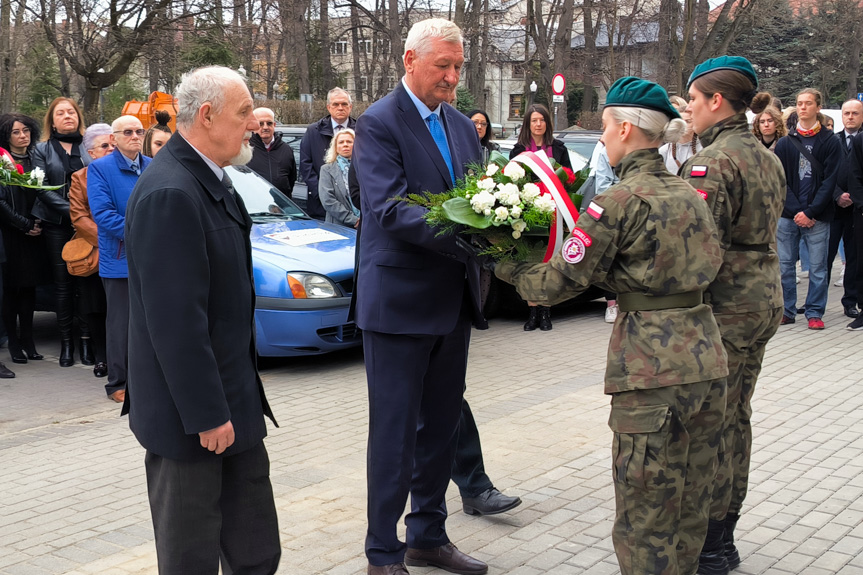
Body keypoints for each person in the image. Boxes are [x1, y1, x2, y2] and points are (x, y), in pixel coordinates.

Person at [495, 76, 728, 575]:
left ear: (625, 129)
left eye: (603, 128)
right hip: (707, 360)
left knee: (646, 516)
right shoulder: (691, 193)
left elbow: (558, 283)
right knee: (691, 505)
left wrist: (505, 263)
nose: (600, 138)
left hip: (652, 371)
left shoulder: (617, 203)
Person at [124, 65, 280, 574]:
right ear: (207, 116)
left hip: (233, 403)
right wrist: (207, 414)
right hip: (194, 421)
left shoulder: (212, 177)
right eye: (243, 113)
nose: (254, 124)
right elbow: (175, 322)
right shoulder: (171, 191)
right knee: (190, 556)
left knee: (255, 549)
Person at [353, 18, 489, 575]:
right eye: (443, 66)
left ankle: (427, 535)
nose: (453, 77)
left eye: (459, 67)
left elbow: (481, 193)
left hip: (451, 301)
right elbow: (388, 209)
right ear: (410, 61)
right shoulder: (378, 123)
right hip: (399, 307)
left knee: (441, 428)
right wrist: (468, 228)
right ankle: (383, 552)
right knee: (394, 435)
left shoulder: (461, 125)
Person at [679, 56, 786, 574]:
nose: (689, 109)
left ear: (716, 101)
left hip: (728, 306)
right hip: (762, 298)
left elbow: (700, 249)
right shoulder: (768, 156)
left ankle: (711, 543)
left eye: (694, 100)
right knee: (736, 418)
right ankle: (724, 536)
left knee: (713, 425)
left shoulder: (712, 163)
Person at [89, 116, 151, 403]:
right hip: (120, 258)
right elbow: (102, 215)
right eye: (128, 132)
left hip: (152, 259)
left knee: (151, 322)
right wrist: (140, 233)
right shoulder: (100, 169)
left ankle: (148, 380)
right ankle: (117, 383)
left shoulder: (152, 166)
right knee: (121, 325)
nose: (135, 136)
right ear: (114, 138)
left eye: (139, 131)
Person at [32, 97, 94, 367]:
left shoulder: (90, 146)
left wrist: (84, 218)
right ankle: (66, 344)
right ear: (52, 120)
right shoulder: (41, 149)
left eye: (71, 112)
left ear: (78, 117)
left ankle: (87, 341)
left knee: (86, 283)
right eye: (61, 113)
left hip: (88, 227)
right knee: (63, 285)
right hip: (57, 225)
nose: (67, 116)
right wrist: (74, 213)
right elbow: (40, 187)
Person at [775, 88, 841, 329]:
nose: (802, 107)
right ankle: (787, 309)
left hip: (818, 217)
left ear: (817, 107)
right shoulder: (785, 143)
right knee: (784, 266)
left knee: (818, 268)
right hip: (788, 216)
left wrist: (811, 212)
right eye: (799, 103)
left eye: (808, 103)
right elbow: (780, 180)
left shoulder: (830, 141)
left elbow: (830, 181)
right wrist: (796, 211)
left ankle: (814, 312)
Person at [510, 103, 572, 332]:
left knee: (549, 262)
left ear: (547, 123)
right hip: (529, 212)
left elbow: (569, 176)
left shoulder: (559, 149)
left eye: (542, 120)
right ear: (528, 124)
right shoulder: (518, 150)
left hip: (554, 211)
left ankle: (545, 312)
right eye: (534, 120)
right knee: (530, 263)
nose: (538, 124)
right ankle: (532, 311)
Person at [69, 123, 114, 381]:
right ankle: (102, 357)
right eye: (104, 146)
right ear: (91, 152)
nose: (110, 149)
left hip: (123, 249)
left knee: (120, 307)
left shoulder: (125, 173)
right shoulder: (80, 177)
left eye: (112, 144)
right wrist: (107, 239)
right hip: (95, 251)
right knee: (96, 307)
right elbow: (78, 216)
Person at [0, 114, 44, 366]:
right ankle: (14, 343)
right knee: (11, 291)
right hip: (11, 232)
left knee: (29, 288)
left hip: (34, 231)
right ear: (6, 135)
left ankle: (28, 339)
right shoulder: (1, 161)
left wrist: (36, 223)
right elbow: (1, 201)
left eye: (26, 130)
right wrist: (23, 224)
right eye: (16, 132)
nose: (22, 136)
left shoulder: (35, 158)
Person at [827, 99, 862, 319]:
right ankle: (816, 304)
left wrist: (856, 197)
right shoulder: (832, 141)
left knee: (854, 257)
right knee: (825, 257)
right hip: (832, 208)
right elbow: (825, 173)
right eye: (846, 113)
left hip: (857, 209)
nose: (850, 117)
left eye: (855, 113)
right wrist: (838, 194)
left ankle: (850, 301)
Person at [300, 87, 357, 219]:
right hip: (320, 206)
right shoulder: (313, 131)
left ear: (350, 107)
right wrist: (322, 194)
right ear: (328, 107)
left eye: (344, 104)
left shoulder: (362, 129)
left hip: (355, 205)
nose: (340, 108)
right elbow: (305, 165)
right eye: (335, 104)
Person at [247, 107, 297, 198]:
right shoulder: (245, 149)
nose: (265, 127)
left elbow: (291, 180)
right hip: (254, 207)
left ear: (274, 125)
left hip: (281, 208)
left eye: (269, 123)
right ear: (253, 126)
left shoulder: (286, 150)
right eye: (261, 123)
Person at [319, 128, 360, 227]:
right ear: (336, 147)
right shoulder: (327, 169)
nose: (345, 144)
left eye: (349, 141)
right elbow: (328, 200)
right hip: (338, 226)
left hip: (366, 224)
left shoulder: (364, 168)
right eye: (341, 142)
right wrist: (353, 220)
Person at [659, 95, 702, 173]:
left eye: (688, 121)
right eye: (680, 122)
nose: (684, 126)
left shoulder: (703, 148)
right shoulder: (664, 150)